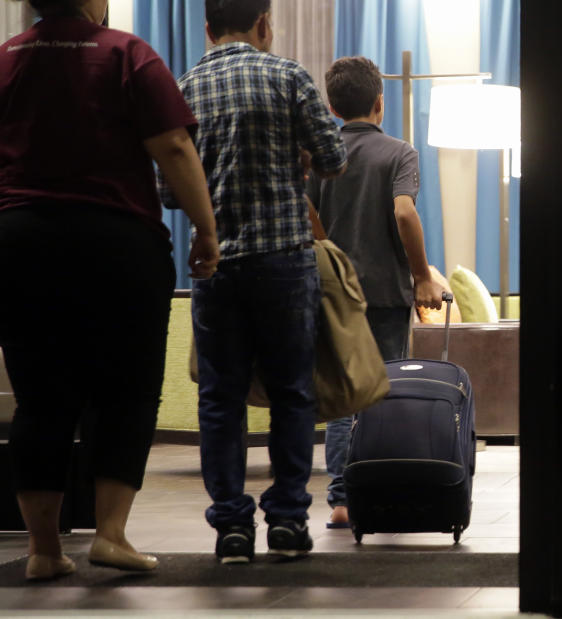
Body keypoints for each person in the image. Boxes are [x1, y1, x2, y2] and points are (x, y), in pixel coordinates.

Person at [0, 0, 219, 581]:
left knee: (40, 396)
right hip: (115, 242)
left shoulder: (4, 60)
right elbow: (172, 146)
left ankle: (44, 550)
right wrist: (205, 227)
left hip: (18, 242)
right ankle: (109, 535)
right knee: (126, 389)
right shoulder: (127, 54)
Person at [160, 0, 347, 564]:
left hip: (215, 266)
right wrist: (300, 158)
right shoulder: (289, 75)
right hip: (284, 262)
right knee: (292, 392)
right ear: (265, 25)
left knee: (220, 399)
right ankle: (288, 521)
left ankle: (232, 530)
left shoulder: (184, 86)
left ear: (208, 28)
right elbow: (335, 157)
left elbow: (170, 191)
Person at [305, 56, 444, 528]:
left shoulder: (322, 155)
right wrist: (422, 275)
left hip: (335, 294)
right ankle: (382, 489)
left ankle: (341, 500)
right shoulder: (398, 152)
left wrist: (330, 251)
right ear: (380, 102)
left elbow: (308, 214)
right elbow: (404, 213)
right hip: (385, 294)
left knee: (344, 396)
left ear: (332, 104)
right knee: (383, 394)